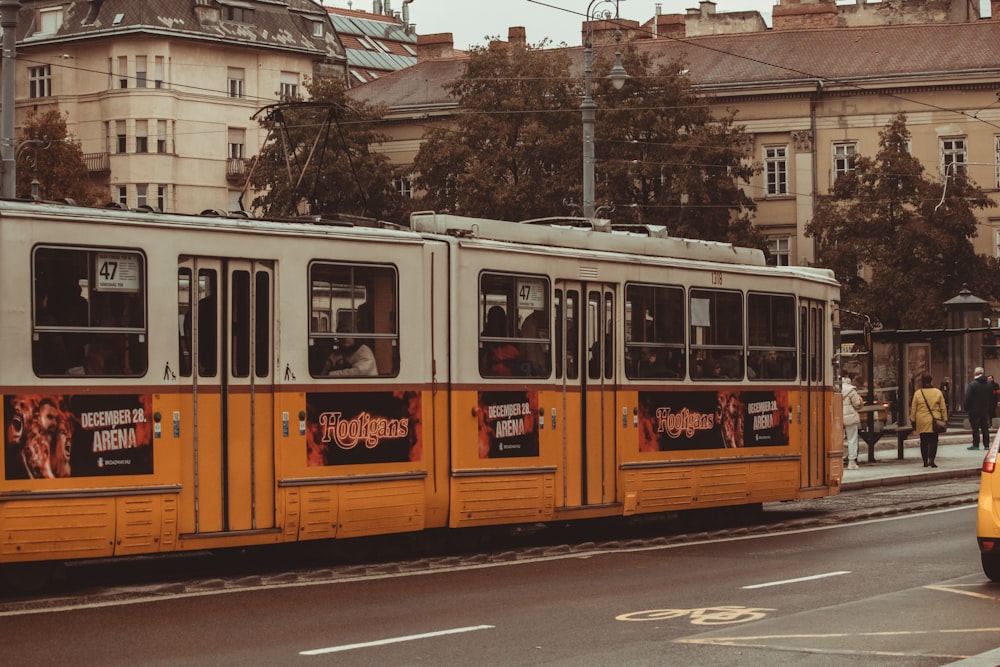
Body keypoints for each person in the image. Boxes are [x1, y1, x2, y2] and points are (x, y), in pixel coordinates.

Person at [911, 372, 947, 467]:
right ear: (931, 381)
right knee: (934, 441)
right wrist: (945, 419)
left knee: (924, 441)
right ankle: (932, 460)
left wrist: (913, 420)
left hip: (921, 420)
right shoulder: (938, 392)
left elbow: (913, 408)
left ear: (922, 382)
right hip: (934, 420)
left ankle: (925, 461)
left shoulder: (918, 393)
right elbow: (943, 408)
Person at [964, 366, 992, 450]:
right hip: (985, 410)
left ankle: (976, 445)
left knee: (975, 428)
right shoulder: (988, 385)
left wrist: (966, 407)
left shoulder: (973, 384)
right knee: (985, 428)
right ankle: (986, 445)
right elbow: (991, 397)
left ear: (975, 373)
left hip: (974, 410)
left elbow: (968, 397)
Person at [841, 372, 863, 470]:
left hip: (837, 417)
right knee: (852, 439)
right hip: (850, 417)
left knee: (838, 439)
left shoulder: (834, 388)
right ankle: (852, 462)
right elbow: (857, 403)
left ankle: (839, 459)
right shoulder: (850, 390)